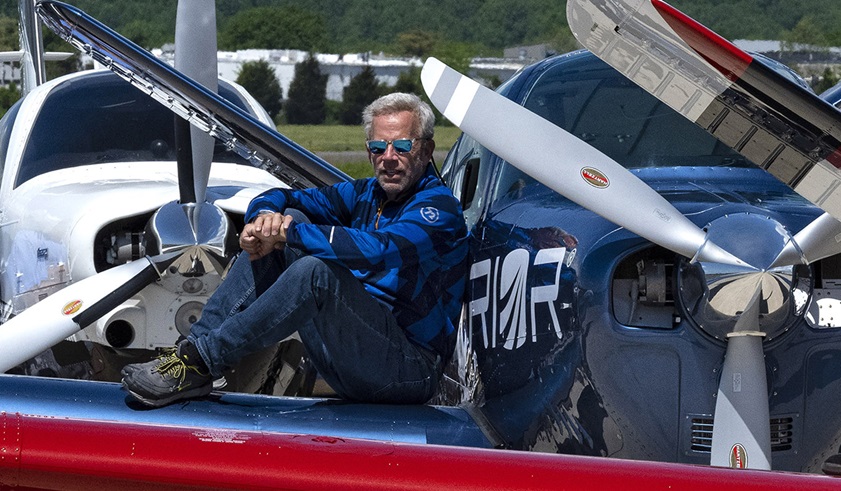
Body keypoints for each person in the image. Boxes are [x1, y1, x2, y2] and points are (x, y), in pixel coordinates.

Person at [121, 92, 469, 407]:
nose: (388, 158)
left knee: (315, 272)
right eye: (378, 148)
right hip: (353, 352)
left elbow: (381, 250)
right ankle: (188, 358)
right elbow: (281, 197)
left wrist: (292, 233)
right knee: (288, 219)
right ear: (368, 152)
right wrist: (262, 223)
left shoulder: (438, 209)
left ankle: (203, 360)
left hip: (409, 371)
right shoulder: (365, 194)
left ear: (425, 149)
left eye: (401, 147)